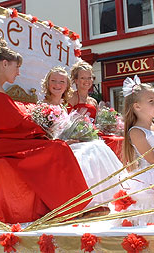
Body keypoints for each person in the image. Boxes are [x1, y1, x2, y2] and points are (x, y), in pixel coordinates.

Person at [0, 38, 92, 225]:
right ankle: (69, 207)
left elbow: (11, 120)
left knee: (57, 147)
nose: (18, 72)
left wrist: (38, 128)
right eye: (16, 67)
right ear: (4, 64)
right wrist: (39, 129)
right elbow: (14, 121)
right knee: (57, 148)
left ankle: (69, 206)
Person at [41, 66, 123, 208]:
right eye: (54, 81)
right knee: (93, 148)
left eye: (89, 78)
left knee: (99, 146)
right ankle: (86, 199)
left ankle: (102, 194)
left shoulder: (64, 104)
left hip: (79, 135)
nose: (57, 85)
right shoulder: (60, 102)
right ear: (75, 81)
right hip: (60, 141)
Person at [116, 75, 154, 226]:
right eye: (151, 102)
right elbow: (152, 160)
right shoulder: (136, 132)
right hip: (152, 177)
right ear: (137, 106)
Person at [68, 60, 124, 161]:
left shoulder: (93, 101)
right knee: (114, 141)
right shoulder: (73, 97)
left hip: (93, 133)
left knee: (120, 139)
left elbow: (98, 122)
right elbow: (67, 120)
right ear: (76, 80)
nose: (87, 81)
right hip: (79, 136)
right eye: (83, 78)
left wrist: (110, 124)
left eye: (89, 78)